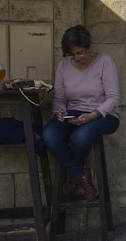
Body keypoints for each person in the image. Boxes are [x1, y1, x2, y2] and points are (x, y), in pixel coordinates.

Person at [42, 25, 120, 201]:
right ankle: (81, 175)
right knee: (49, 135)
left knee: (80, 137)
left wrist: (92, 115)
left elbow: (113, 98)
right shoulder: (63, 65)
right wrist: (60, 111)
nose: (78, 57)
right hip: (73, 113)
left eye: (81, 52)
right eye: (73, 54)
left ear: (88, 47)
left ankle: (73, 177)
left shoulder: (105, 61)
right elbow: (59, 98)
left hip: (104, 114)